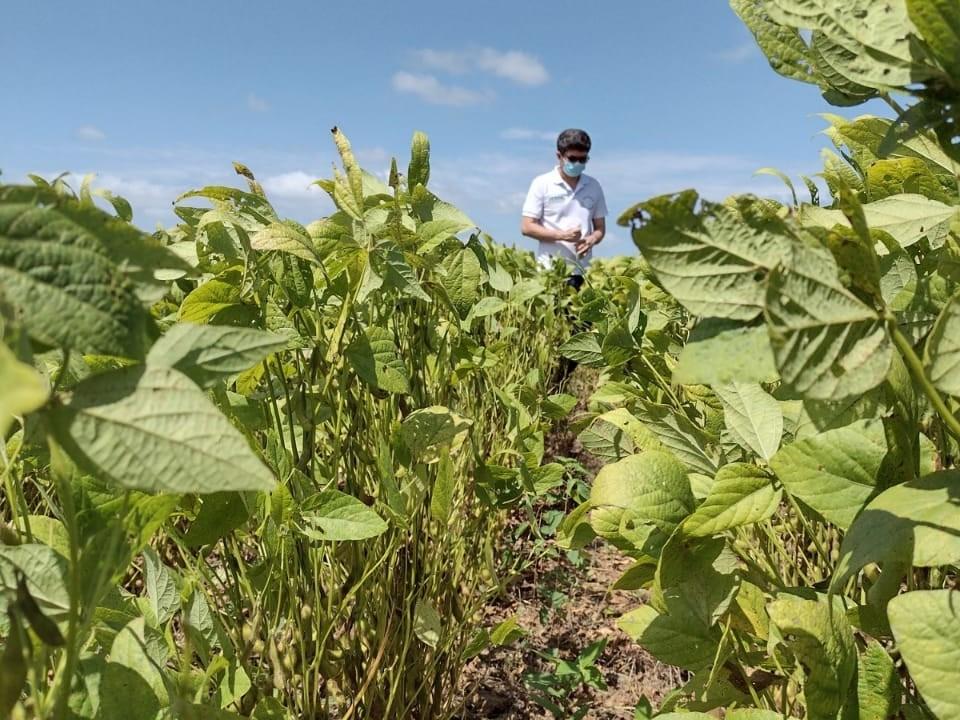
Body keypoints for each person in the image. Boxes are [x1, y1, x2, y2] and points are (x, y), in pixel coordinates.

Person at [520, 128, 607, 290]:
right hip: (550, 271)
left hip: (583, 271)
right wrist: (562, 235)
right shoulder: (542, 183)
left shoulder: (594, 186)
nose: (578, 164)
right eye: (573, 159)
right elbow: (526, 226)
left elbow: (600, 228)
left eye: (583, 160)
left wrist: (591, 240)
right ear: (559, 156)